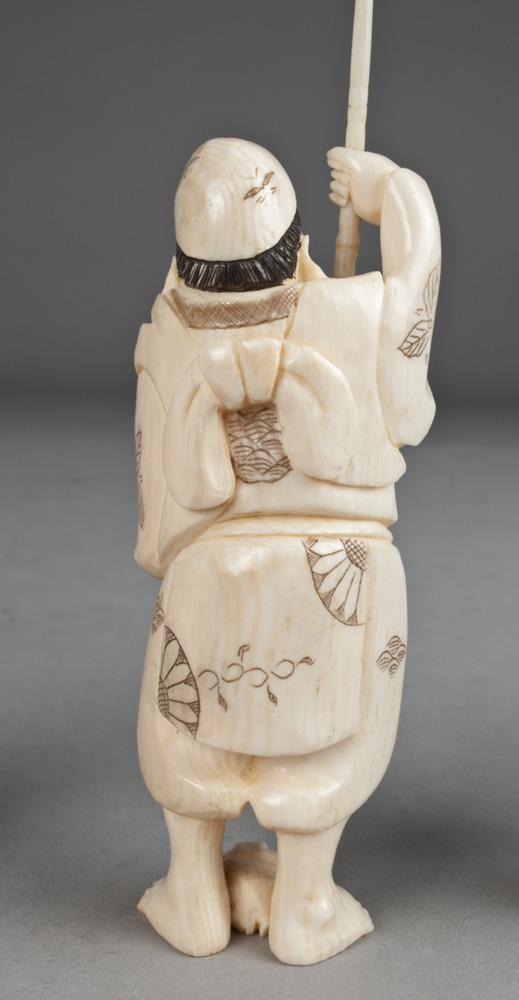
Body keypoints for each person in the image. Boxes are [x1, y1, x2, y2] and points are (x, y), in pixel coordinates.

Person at [133, 138, 440, 964]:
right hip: (338, 571)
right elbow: (411, 314)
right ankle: (305, 900)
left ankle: (192, 889)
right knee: (329, 732)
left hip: (210, 574)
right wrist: (391, 192)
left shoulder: (167, 336)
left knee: (187, 716)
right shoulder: (350, 315)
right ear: (297, 243)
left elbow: (157, 521)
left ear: (185, 264)